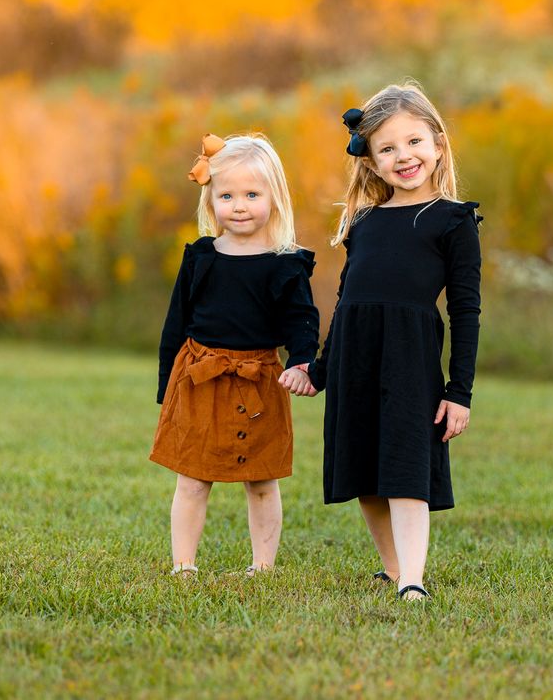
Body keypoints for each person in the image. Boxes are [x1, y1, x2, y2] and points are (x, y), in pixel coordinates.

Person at [308, 82, 482, 601]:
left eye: (413, 142)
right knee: (364, 471)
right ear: (372, 162)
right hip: (355, 360)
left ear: (438, 144)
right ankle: (391, 566)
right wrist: (319, 368)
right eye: (387, 148)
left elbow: (465, 311)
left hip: (411, 362)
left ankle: (413, 580)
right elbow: (345, 303)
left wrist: (460, 391)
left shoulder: (452, 221)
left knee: (406, 469)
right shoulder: (362, 222)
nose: (403, 156)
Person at [151, 133, 318, 577]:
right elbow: (176, 324)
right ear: (211, 201)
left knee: (262, 480)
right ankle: (183, 565)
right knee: (192, 479)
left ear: (274, 198)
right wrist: (168, 385)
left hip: (258, 378)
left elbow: (302, 321)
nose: (239, 205)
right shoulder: (201, 258)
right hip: (199, 375)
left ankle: (262, 565)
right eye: (226, 195)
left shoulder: (285, 263)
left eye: (251, 194)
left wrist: (304, 362)